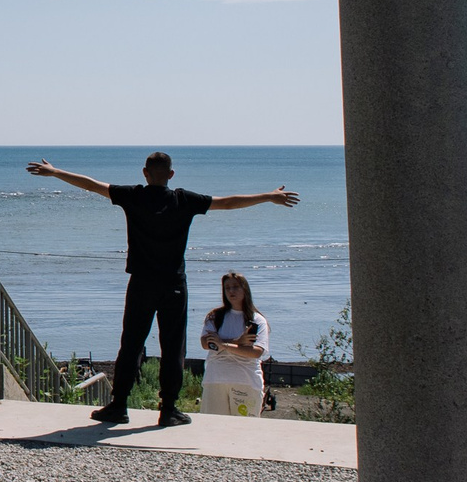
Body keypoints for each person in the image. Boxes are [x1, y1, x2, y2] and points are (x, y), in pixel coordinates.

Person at [26, 152, 300, 427]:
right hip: (174, 285)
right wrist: (268, 196)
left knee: (131, 345)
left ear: (145, 173)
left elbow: (92, 185)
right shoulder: (183, 200)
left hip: (142, 283)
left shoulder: (133, 195)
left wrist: (56, 171)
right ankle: (168, 409)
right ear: (171, 174)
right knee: (172, 348)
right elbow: (227, 203)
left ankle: (118, 405)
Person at [197, 271, 268, 417]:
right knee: (213, 428)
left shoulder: (257, 320)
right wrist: (237, 342)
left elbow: (256, 352)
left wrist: (223, 345)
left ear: (245, 289)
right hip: (215, 379)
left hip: (245, 380)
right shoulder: (215, 317)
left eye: (235, 287)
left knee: (244, 429)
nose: (231, 291)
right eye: (227, 288)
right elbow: (207, 343)